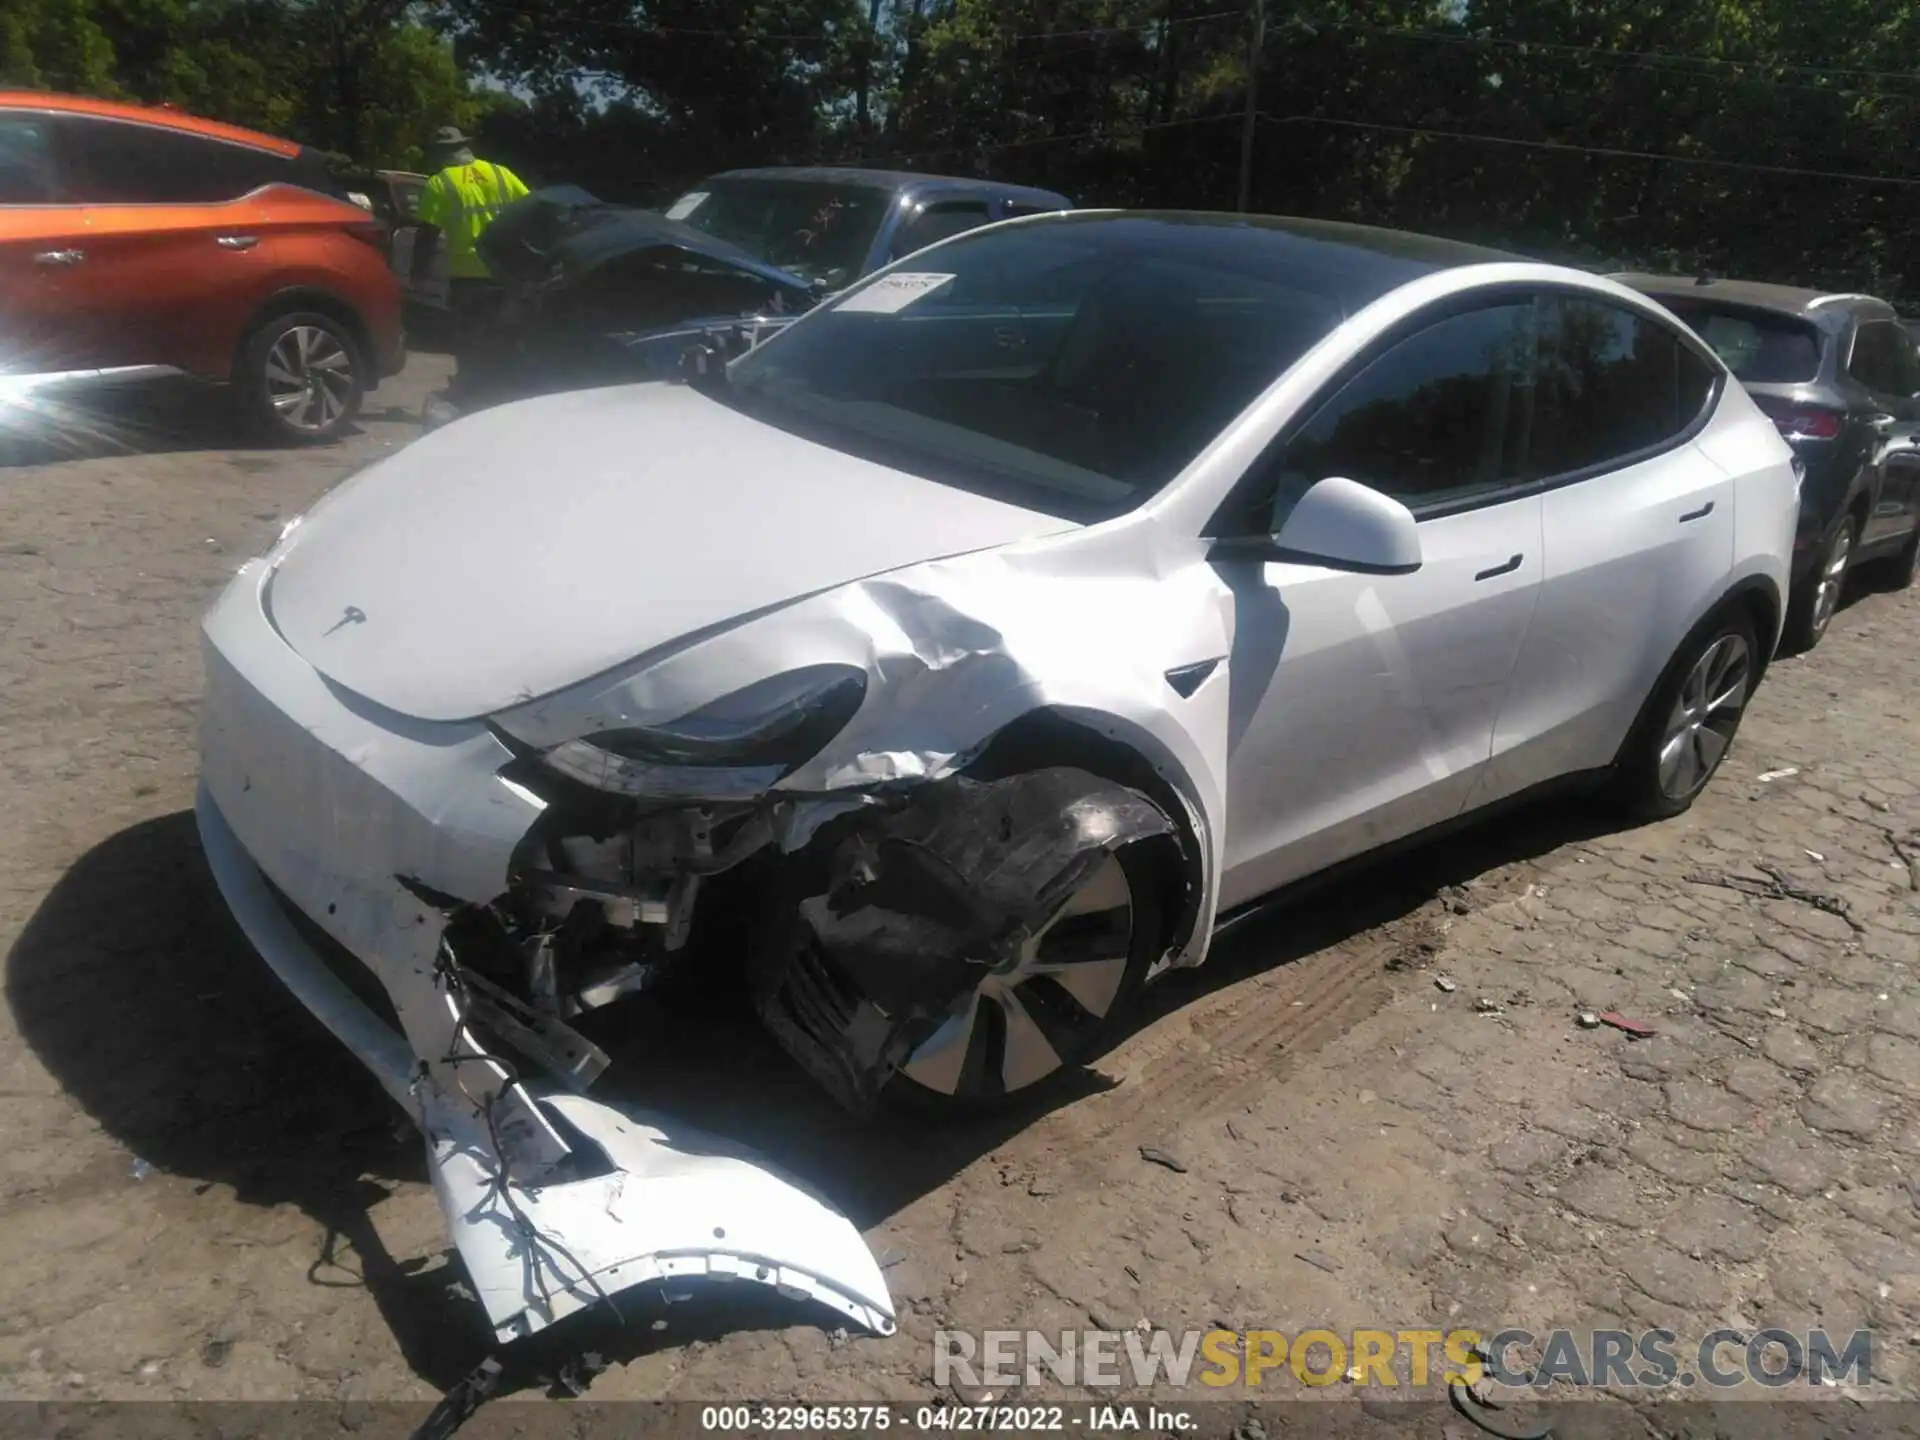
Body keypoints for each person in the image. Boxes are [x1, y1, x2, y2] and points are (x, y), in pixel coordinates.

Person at [412, 125, 529, 416]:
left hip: (469, 279)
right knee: (507, 341)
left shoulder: (440, 183)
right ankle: (507, 401)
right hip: (508, 275)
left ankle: (475, 405)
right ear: (466, 147)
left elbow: (426, 234)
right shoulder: (501, 174)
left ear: (440, 153)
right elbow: (532, 210)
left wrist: (418, 274)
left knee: (470, 344)